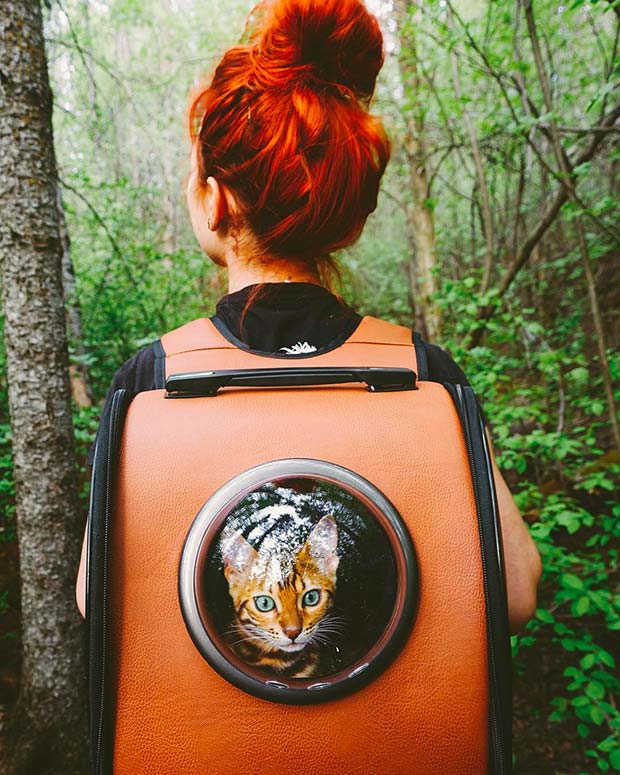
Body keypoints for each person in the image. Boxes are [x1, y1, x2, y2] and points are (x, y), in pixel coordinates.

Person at [76, 0, 542, 635]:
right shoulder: (423, 373)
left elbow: (93, 598)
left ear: (215, 201)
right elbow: (514, 593)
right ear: (342, 215)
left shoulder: (151, 381)